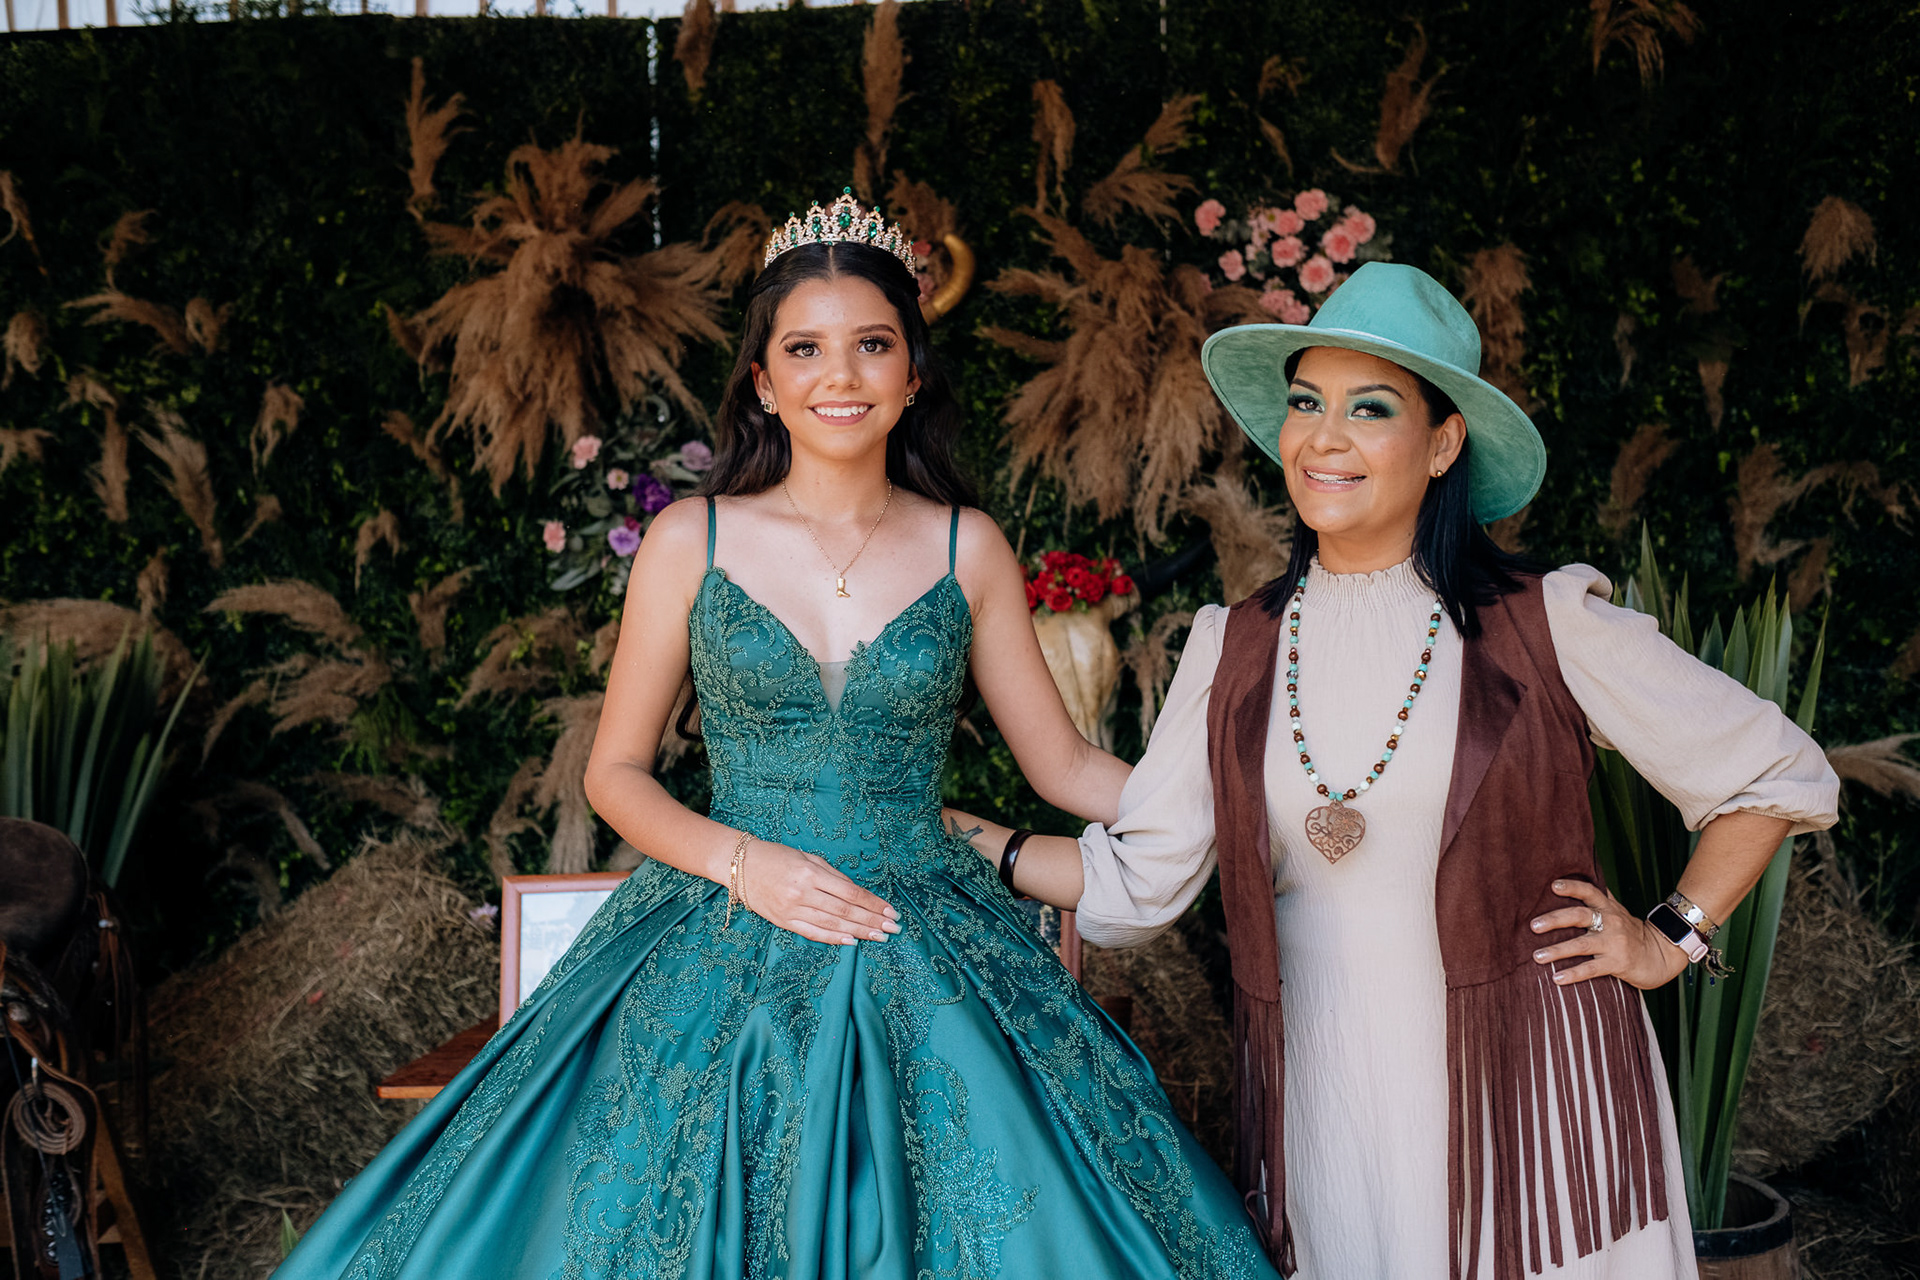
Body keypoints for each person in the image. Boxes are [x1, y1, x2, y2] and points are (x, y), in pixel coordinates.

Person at [273, 191, 1277, 1280]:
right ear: (762, 379)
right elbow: (616, 772)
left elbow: (1065, 764)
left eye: (872, 344)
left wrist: (1239, 798)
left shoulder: (968, 545)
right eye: (805, 348)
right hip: (720, 914)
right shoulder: (690, 540)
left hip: (919, 924)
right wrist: (747, 864)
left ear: (913, 372)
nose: (840, 375)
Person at [944, 262, 1839, 1280]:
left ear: (1444, 442)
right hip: (1334, 1108)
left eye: (1370, 409)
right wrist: (943, 833)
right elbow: (1136, 881)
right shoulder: (1233, 646)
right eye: (1306, 403)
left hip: (1536, 1108)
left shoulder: (1545, 621)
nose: (1324, 438)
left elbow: (1776, 773)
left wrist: (1671, 935)